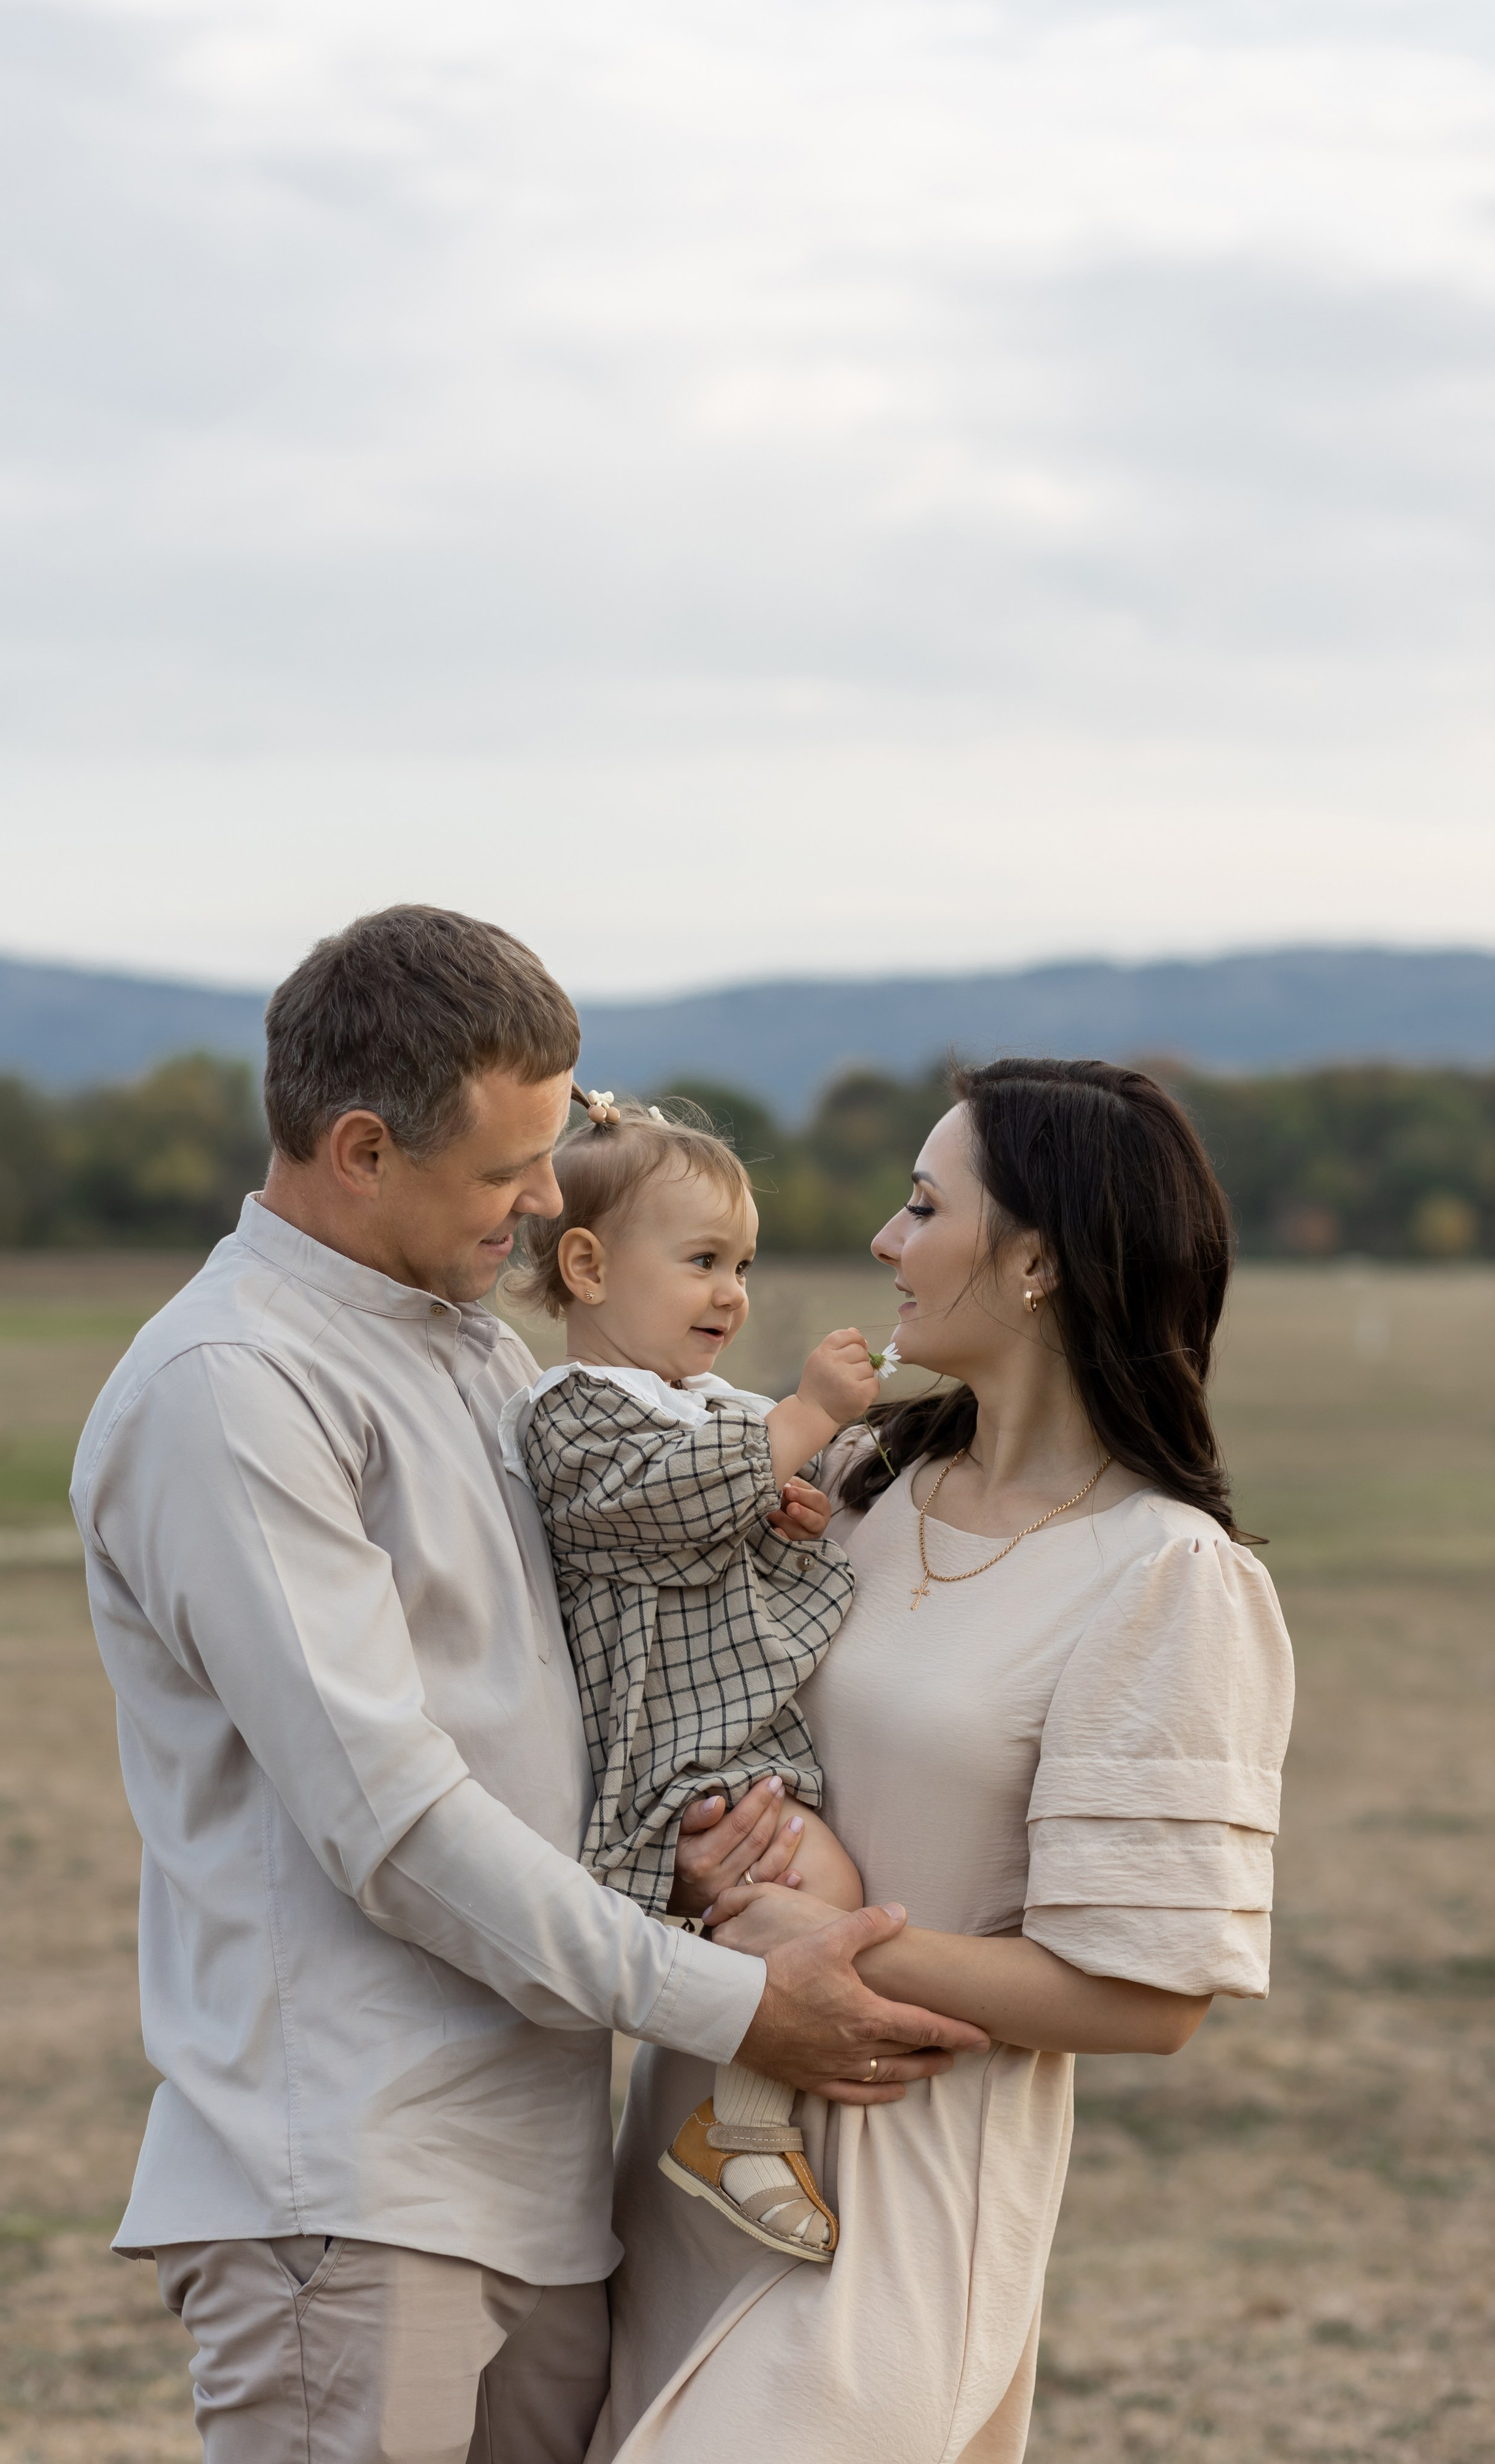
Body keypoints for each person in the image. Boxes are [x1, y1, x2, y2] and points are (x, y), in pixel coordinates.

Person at [70, 903, 979, 2464]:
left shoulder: (480, 1357)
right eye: (507, 1171)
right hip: (347, 2190)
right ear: (359, 1150)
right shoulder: (233, 1389)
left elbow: (563, 1690)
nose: (550, 1200)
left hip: (540, 2181)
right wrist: (742, 2004)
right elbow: (397, 1822)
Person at [592, 1058, 1296, 2464]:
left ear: (1034, 1257)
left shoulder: (1163, 1576)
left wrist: (830, 1945)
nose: (883, 1242)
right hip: (688, 2164)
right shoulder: (847, 1487)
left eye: (922, 1206)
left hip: (891, 2217)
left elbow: (1148, 1999)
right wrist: (693, 1858)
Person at [501, 1088, 879, 2262]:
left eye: (745, 1263)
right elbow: (666, 1505)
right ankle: (747, 2125)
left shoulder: (706, 1409)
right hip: (661, 1750)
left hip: (724, 1731)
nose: (734, 1292)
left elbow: (729, 1519)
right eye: (705, 1260)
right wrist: (805, 1416)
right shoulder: (573, 1412)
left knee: (813, 1888)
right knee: (817, 1888)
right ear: (590, 1266)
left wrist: (791, 1517)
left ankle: (741, 2120)